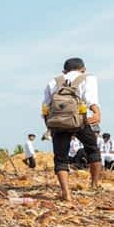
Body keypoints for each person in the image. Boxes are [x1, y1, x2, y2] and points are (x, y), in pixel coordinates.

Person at [43, 57, 101, 201]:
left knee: (61, 158)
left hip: (58, 123)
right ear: (83, 69)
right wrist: (97, 112)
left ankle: (66, 193)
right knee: (92, 150)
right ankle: (94, 184)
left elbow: (45, 107)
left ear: (64, 71)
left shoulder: (53, 81)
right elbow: (90, 99)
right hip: (81, 121)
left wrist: (50, 126)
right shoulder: (88, 78)